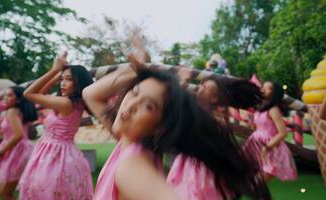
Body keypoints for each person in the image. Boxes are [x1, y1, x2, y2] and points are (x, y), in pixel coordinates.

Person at [83, 50, 270, 200]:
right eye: (134, 92)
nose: (131, 106)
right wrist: (140, 70)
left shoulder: (131, 165)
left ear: (161, 126)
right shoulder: (128, 138)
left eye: (148, 106)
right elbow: (90, 94)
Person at [168, 71, 263, 200]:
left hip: (199, 174)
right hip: (189, 167)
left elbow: (177, 106)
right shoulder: (205, 113)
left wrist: (184, 81)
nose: (199, 88)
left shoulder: (212, 118)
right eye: (201, 85)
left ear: (214, 98)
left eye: (205, 87)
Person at [19, 52, 94, 199]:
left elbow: (29, 93)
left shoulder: (65, 103)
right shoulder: (74, 102)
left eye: (69, 80)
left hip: (54, 155)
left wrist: (55, 70)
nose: (62, 83)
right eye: (61, 80)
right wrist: (58, 75)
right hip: (61, 153)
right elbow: (40, 93)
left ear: (78, 83)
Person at [0, 86, 37, 200]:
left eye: (9, 95)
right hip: (13, 150)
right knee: (2, 191)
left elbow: (18, 135)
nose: (5, 98)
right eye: (5, 95)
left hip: (18, 151)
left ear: (18, 99)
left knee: (5, 192)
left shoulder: (12, 111)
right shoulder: (10, 112)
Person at [244, 81, 297, 182]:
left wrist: (267, 147)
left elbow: (283, 133)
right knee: (256, 181)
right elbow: (259, 127)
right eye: (263, 87)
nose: (263, 89)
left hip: (271, 147)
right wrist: (252, 123)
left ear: (274, 94)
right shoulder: (259, 108)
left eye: (268, 88)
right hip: (256, 143)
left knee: (260, 181)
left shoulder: (273, 110)